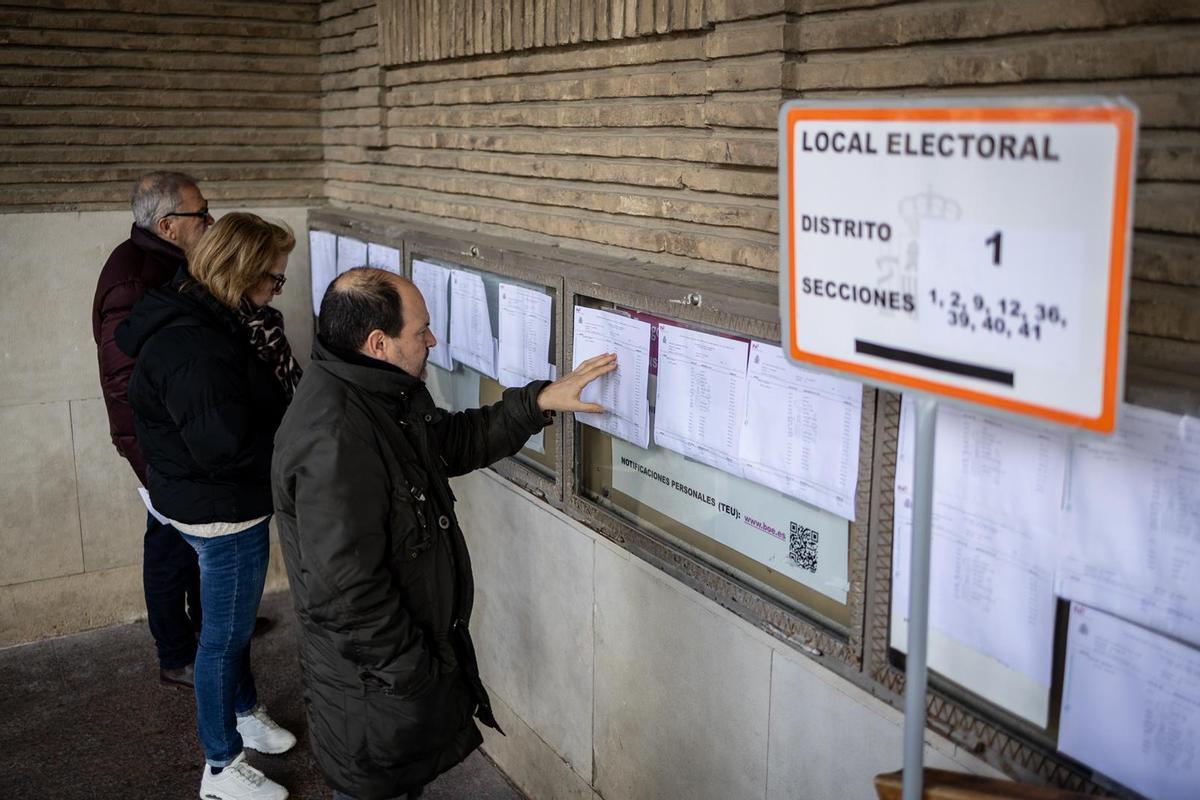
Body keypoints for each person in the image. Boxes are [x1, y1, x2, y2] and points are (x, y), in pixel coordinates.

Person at [271, 268, 616, 800]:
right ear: (378, 343)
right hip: (373, 695)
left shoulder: (374, 394)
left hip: (383, 686)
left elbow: (447, 444)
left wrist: (538, 401)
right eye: (421, 330)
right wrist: (415, 676)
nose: (431, 340)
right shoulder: (336, 438)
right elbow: (345, 595)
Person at [116, 212, 303, 800]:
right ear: (240, 273)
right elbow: (224, 446)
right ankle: (221, 769)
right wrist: (295, 456)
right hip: (222, 510)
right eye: (274, 278)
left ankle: (245, 711)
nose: (277, 289)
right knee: (222, 639)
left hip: (197, 496)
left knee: (230, 631)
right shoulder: (195, 343)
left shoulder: (202, 315)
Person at [91, 171, 212, 688]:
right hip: (158, 445)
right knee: (168, 543)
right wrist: (150, 465)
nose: (210, 221)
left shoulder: (170, 262)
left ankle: (213, 630)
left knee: (197, 542)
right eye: (201, 213)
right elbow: (121, 382)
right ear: (168, 225)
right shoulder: (134, 279)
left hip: (182, 434)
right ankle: (176, 654)